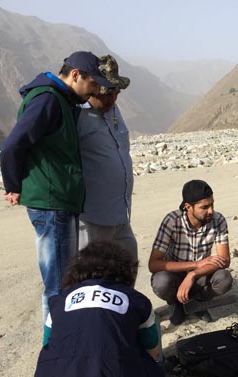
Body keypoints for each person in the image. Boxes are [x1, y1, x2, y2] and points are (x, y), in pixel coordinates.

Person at [0, 51, 115, 330]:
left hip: (59, 202)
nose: (95, 90)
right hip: (52, 204)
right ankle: (56, 346)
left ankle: (60, 341)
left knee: (63, 278)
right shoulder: (48, 100)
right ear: (75, 75)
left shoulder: (62, 100)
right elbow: (12, 145)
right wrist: (12, 185)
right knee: (58, 283)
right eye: (92, 83)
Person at [32, 241, 165, 377]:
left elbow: (47, 345)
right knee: (152, 370)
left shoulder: (59, 301)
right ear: (125, 270)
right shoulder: (136, 300)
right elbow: (152, 351)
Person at [77, 55, 137, 261]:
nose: (112, 98)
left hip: (121, 215)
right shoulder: (76, 115)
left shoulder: (113, 110)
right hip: (91, 219)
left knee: (127, 269)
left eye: (116, 92)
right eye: (105, 93)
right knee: (89, 280)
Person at [149, 180, 233, 325]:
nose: (211, 211)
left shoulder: (218, 220)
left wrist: (193, 274)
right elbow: (154, 264)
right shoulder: (172, 221)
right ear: (188, 206)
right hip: (175, 274)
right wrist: (195, 264)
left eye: (212, 204)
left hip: (201, 274)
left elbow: (224, 260)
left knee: (224, 279)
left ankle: (197, 303)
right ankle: (177, 303)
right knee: (161, 282)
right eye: (204, 207)